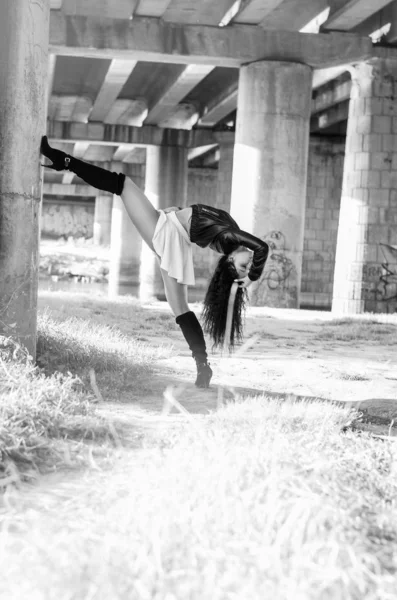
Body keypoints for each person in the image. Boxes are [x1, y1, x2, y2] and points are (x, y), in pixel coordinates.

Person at [40, 136, 269, 389]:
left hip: (167, 233)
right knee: (180, 308)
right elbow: (201, 217)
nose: (249, 263)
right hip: (175, 236)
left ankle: (64, 161)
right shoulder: (230, 233)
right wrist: (179, 210)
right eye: (248, 266)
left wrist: (252, 277)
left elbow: (263, 247)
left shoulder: (228, 237)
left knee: (122, 184)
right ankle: (202, 365)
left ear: (230, 261)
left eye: (243, 266)